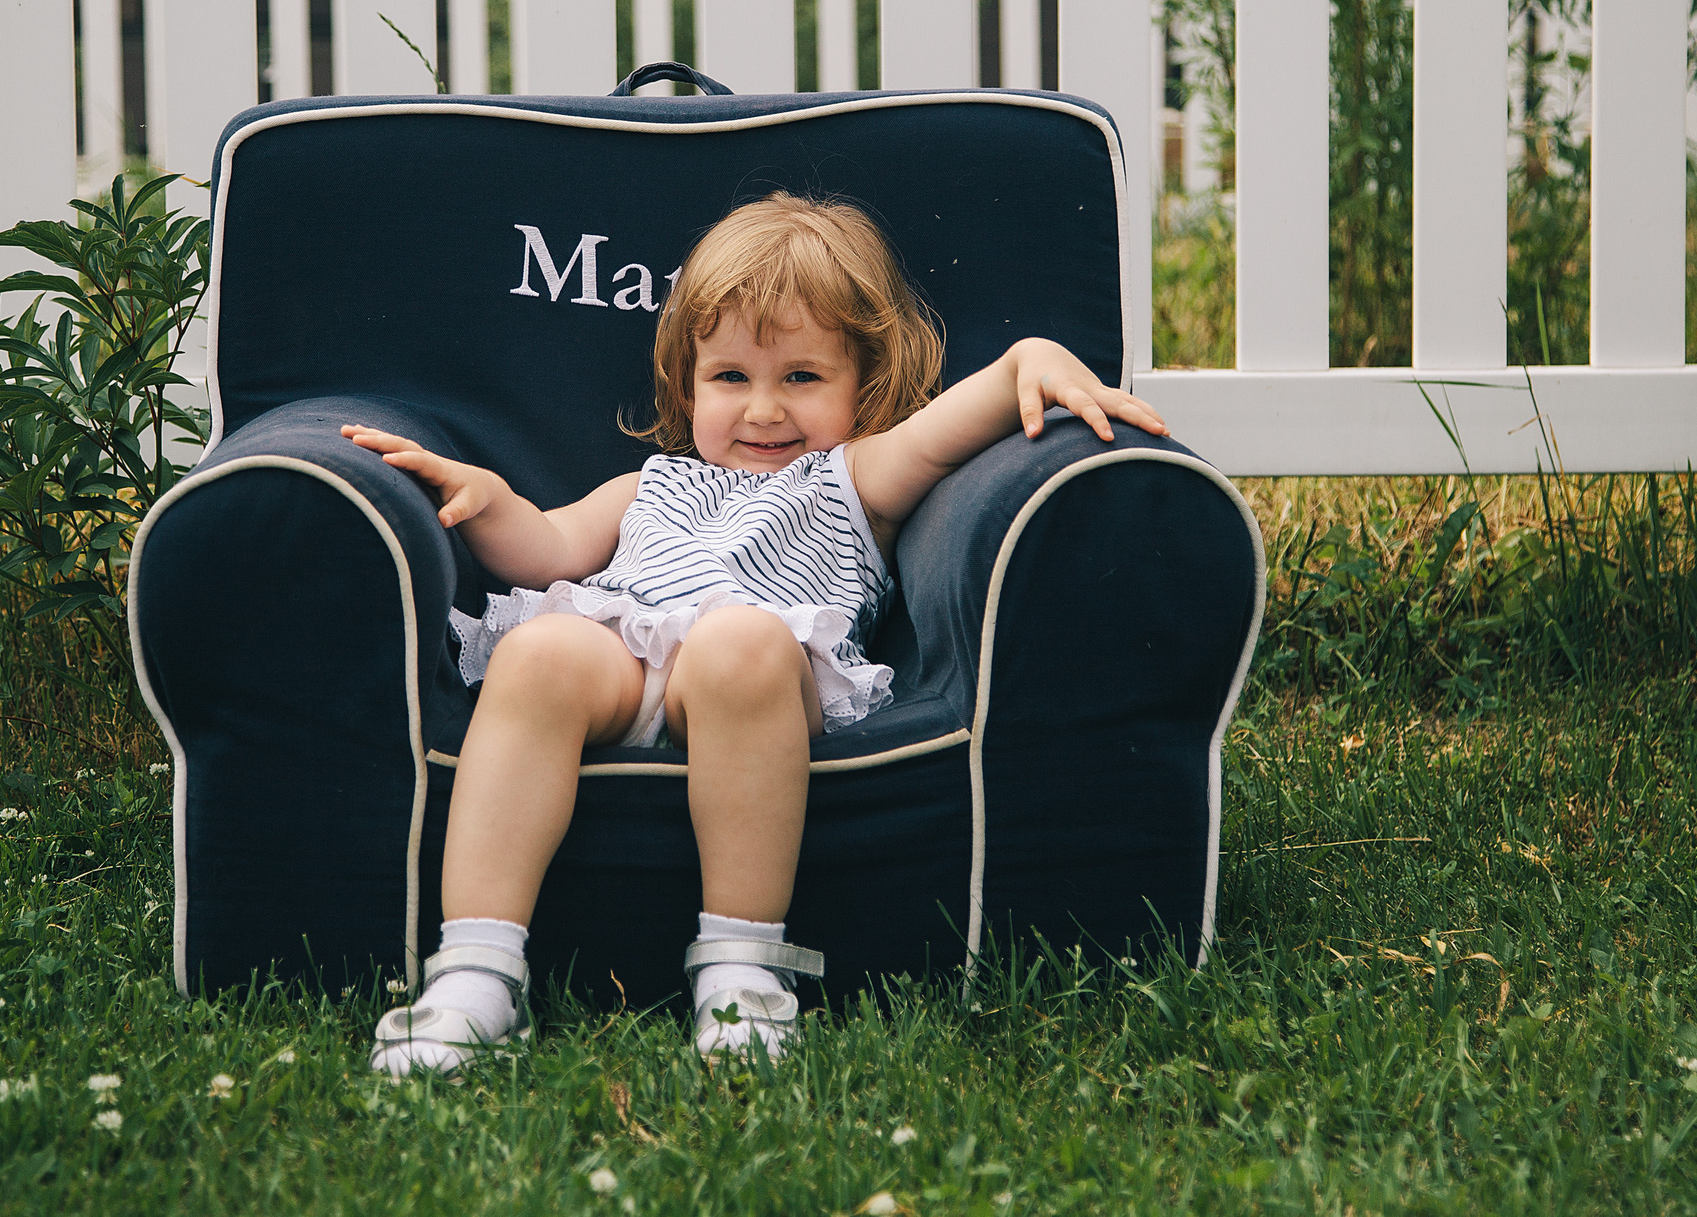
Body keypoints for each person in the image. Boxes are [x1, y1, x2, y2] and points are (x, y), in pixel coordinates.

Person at [345, 192, 1164, 1076]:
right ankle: (476, 972)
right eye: (731, 378)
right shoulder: (650, 483)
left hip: (751, 684)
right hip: (624, 663)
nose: (764, 409)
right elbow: (544, 550)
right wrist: (485, 498)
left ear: (865, 385)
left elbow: (946, 429)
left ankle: (741, 972)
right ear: (688, 385)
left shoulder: (854, 477)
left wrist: (1026, 363)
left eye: (802, 378)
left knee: (738, 642)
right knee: (539, 650)